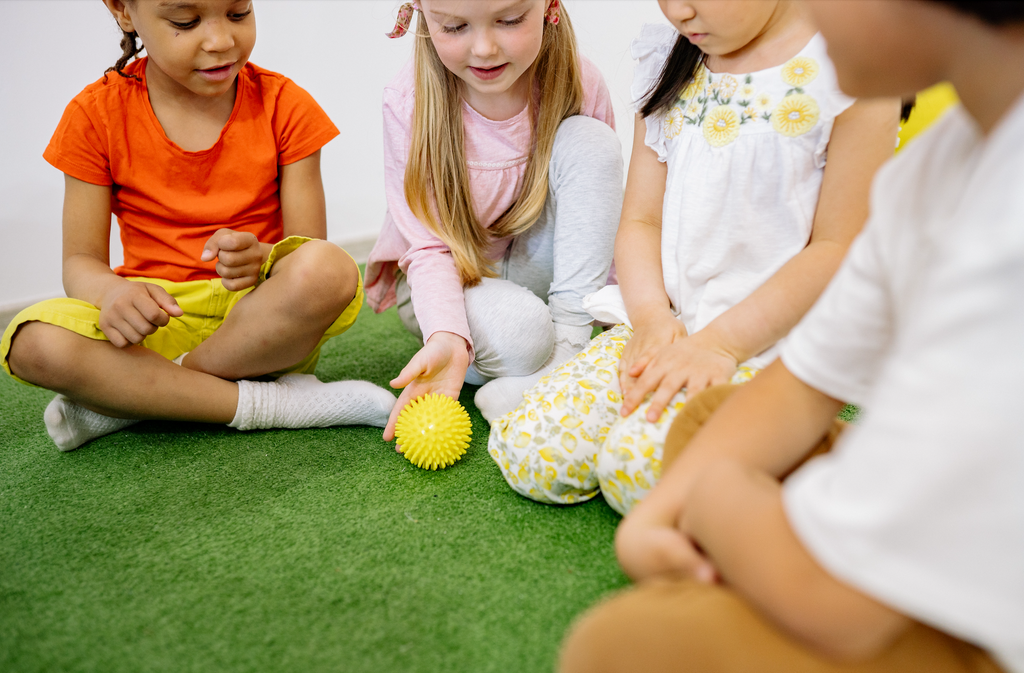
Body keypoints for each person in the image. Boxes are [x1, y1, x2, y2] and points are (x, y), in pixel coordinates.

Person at [559, 0, 1024, 671]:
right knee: (713, 421)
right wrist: (662, 509)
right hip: (911, 562)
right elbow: (805, 382)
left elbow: (840, 606)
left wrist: (715, 497)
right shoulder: (944, 163)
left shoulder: (1005, 227)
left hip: (962, 624)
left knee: (614, 646)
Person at [487, 0, 899, 514]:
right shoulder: (668, 55)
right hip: (671, 325)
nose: (678, 10)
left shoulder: (854, 70)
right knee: (534, 455)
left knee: (637, 472)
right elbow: (642, 221)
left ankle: (813, 447)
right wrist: (652, 320)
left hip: (776, 346)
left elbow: (837, 249)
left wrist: (722, 345)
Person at [0, 0, 397, 452]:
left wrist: (266, 257)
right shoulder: (94, 115)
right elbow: (81, 261)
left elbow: (307, 248)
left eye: (238, 13)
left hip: (261, 324)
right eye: (185, 22)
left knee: (331, 268)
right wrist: (110, 293)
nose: (221, 41)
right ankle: (279, 405)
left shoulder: (286, 104)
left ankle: (144, 394)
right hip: (155, 327)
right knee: (31, 343)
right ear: (124, 12)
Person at [366, 0, 623, 442]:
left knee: (593, 142)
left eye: (509, 21)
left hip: (537, 267)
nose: (484, 48)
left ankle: (568, 354)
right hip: (448, 278)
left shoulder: (580, 79)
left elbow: (597, 210)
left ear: (549, 6)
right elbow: (427, 247)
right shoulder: (408, 100)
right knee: (523, 335)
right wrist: (447, 336)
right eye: (454, 26)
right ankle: (540, 361)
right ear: (424, 17)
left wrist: (617, 313)